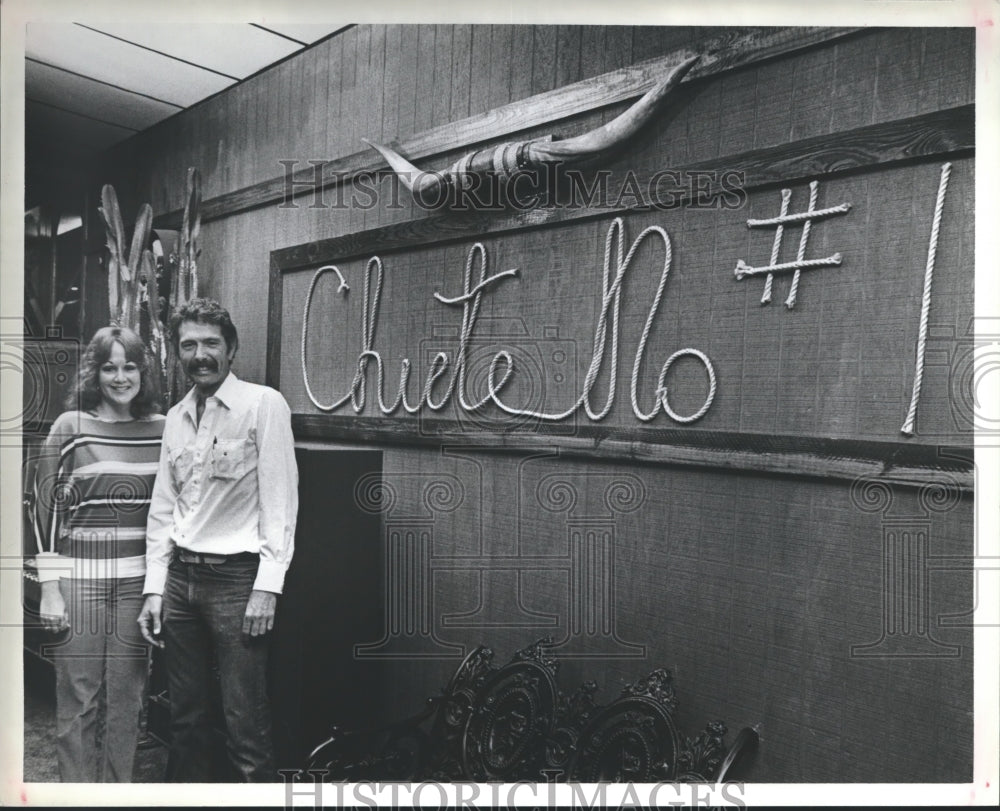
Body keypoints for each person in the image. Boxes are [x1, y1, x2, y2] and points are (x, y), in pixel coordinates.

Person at [137, 298, 298, 782]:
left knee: (244, 721)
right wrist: (153, 588)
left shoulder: (262, 405)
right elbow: (164, 510)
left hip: (236, 583)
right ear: (177, 352)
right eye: (189, 344)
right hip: (179, 582)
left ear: (231, 349)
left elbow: (281, 500)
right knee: (185, 719)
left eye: (211, 343)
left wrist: (267, 586)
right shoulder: (176, 418)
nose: (200, 354)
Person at [32, 326, 165, 782]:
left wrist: (157, 589)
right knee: (79, 699)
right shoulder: (71, 427)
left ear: (144, 373)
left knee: (128, 702)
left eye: (129, 366)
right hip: (79, 581)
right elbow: (43, 508)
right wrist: (50, 588)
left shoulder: (163, 430)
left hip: (136, 585)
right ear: (95, 373)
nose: (120, 377)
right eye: (109, 367)